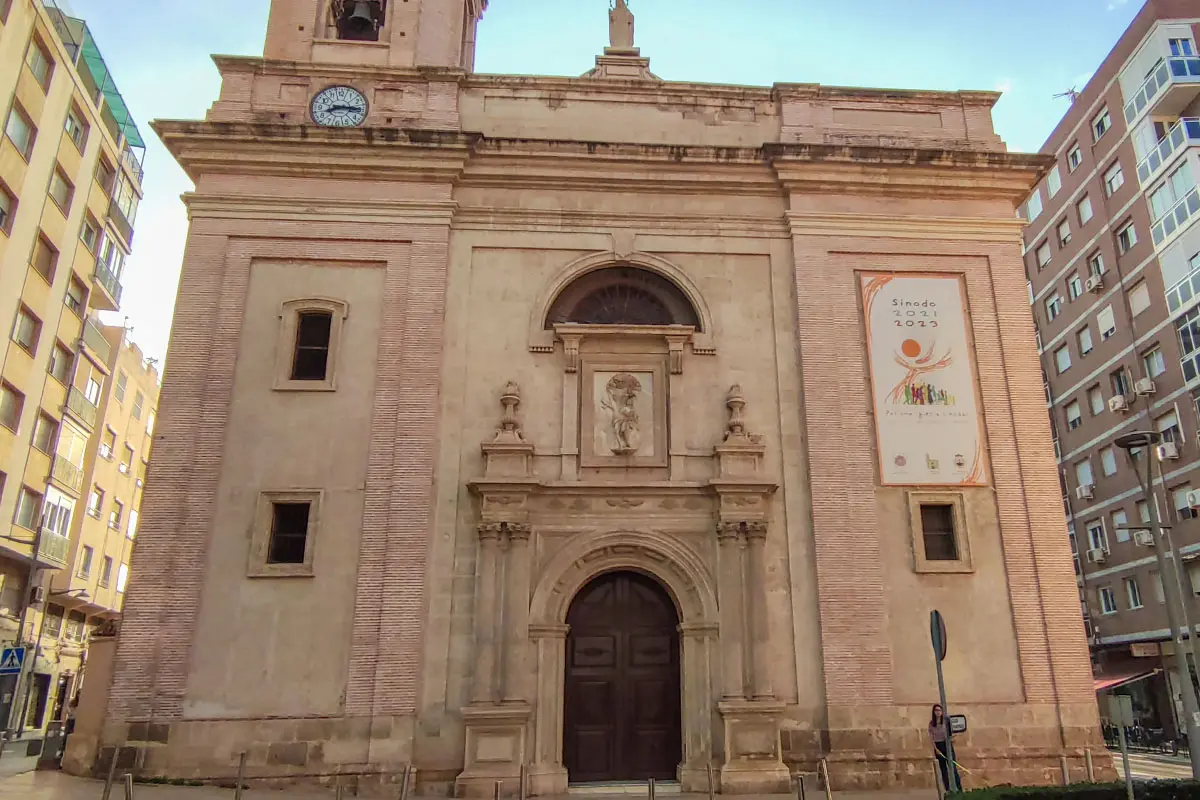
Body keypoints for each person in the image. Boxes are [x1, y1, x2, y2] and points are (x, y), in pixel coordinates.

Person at [929, 703, 961, 793]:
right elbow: (931, 738)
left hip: (947, 744)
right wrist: (936, 749)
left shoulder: (946, 721)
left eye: (939, 710)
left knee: (953, 768)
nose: (938, 712)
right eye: (936, 710)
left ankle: (959, 788)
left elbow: (952, 733)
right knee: (943, 770)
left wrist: (952, 739)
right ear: (934, 712)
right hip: (938, 746)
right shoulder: (932, 724)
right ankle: (948, 789)